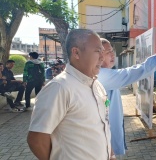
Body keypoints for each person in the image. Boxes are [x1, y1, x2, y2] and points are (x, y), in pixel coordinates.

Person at [27, 29, 114, 160]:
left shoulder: (97, 85)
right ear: (76, 52)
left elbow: (103, 128)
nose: (102, 57)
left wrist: (111, 155)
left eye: (102, 51)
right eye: (97, 51)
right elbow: (37, 140)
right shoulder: (59, 88)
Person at [97, 38, 156, 157]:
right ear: (98, 57)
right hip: (103, 146)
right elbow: (132, 73)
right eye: (108, 52)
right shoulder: (102, 76)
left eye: (112, 51)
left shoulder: (105, 74)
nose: (112, 55)